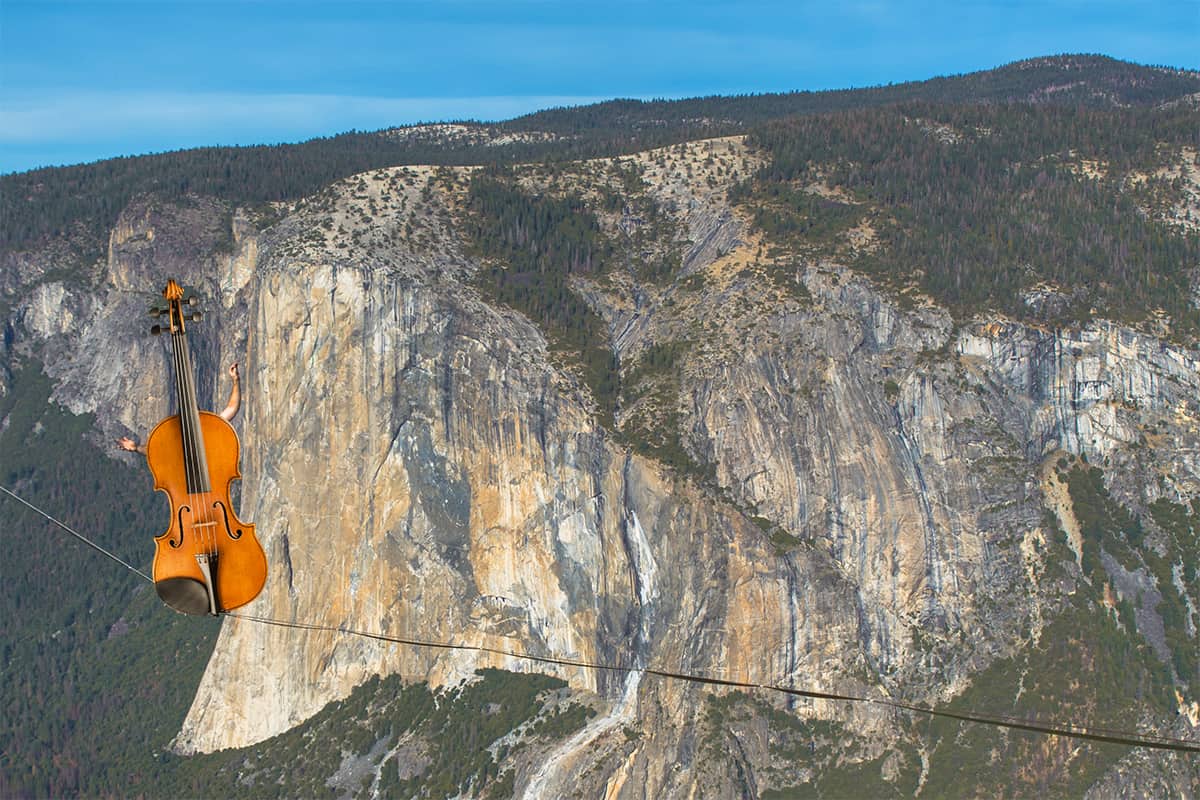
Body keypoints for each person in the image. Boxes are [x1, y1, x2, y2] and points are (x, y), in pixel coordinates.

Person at [117, 362, 241, 453]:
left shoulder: (208, 429)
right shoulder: (178, 444)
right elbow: (155, 452)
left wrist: (236, 380)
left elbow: (232, 408)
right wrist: (137, 448)